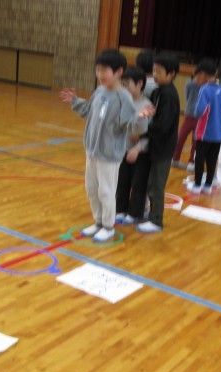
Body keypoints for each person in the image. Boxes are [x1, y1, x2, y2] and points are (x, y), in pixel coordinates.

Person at [60, 49, 152, 243]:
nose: (100, 74)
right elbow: (89, 112)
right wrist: (76, 102)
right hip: (92, 151)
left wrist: (141, 118)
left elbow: (131, 125)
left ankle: (108, 227)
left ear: (118, 72)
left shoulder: (123, 97)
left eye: (104, 70)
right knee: (92, 189)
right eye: (98, 70)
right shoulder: (99, 91)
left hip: (109, 154)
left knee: (106, 191)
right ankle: (99, 221)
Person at [137, 51, 180, 234]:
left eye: (159, 71)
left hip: (163, 148)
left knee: (156, 185)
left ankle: (156, 220)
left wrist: (143, 131)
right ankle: (150, 214)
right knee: (150, 183)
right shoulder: (158, 91)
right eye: (154, 70)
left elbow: (162, 124)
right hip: (155, 145)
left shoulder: (169, 95)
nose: (154, 75)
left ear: (171, 74)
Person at [115, 66, 152, 226]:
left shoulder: (146, 105)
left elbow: (151, 134)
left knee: (138, 184)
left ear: (139, 84)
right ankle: (121, 210)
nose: (124, 88)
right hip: (123, 150)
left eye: (127, 84)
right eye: (122, 84)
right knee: (122, 182)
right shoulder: (123, 102)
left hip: (140, 153)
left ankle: (135, 212)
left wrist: (139, 147)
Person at [186, 58, 221, 195]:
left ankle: (197, 185)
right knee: (212, 159)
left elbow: (199, 110)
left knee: (199, 159)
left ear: (202, 74)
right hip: (219, 133)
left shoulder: (204, 90)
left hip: (205, 133)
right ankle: (208, 185)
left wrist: (196, 113)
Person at [172, 60, 212, 170]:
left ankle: (192, 161)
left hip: (200, 118)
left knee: (196, 142)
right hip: (189, 116)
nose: (201, 78)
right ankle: (175, 158)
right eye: (199, 75)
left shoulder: (207, 87)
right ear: (195, 74)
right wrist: (191, 108)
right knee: (180, 137)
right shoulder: (190, 84)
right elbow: (188, 97)